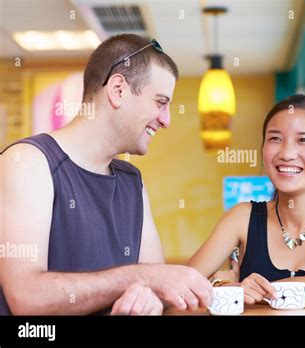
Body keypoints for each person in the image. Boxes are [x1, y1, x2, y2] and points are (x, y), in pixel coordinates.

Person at [0, 34, 212, 315]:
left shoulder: (132, 181)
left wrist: (149, 298)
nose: (166, 120)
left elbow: (158, 286)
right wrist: (142, 279)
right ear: (118, 90)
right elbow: (27, 298)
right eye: (160, 102)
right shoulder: (27, 162)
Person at [188, 94, 305, 305]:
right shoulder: (242, 217)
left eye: (303, 140)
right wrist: (222, 286)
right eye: (275, 138)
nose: (286, 153)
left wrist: (236, 291)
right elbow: (181, 285)